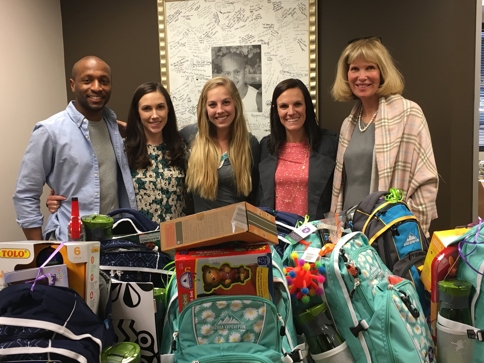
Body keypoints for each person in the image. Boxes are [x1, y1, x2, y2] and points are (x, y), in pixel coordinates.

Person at [13, 56, 136, 241]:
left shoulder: (112, 125)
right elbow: (26, 194)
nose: (96, 87)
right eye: (87, 80)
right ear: (73, 85)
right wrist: (39, 250)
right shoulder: (49, 131)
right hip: (69, 243)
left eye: (104, 81)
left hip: (114, 241)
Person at [330, 37, 438, 235]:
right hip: (350, 233)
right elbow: (341, 188)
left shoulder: (409, 114)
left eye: (370, 67)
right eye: (355, 69)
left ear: (382, 72)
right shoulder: (348, 124)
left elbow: (427, 181)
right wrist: (335, 229)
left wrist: (406, 229)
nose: (361, 76)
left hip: (389, 232)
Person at [47, 82, 189, 225]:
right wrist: (62, 200)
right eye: (146, 109)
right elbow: (95, 183)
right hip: (137, 238)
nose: (154, 115)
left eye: (160, 107)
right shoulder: (123, 149)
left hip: (177, 238)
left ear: (168, 110)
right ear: (137, 113)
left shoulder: (182, 148)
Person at [257, 78, 338, 219]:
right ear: (276, 111)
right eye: (284, 106)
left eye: (297, 104)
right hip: (276, 235)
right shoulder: (266, 146)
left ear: (307, 106)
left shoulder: (330, 144)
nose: (291, 112)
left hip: (315, 235)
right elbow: (260, 198)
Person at [181, 76, 260, 212]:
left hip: (238, 230)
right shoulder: (190, 136)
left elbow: (256, 196)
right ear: (205, 108)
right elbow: (161, 138)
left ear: (236, 103)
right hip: (200, 230)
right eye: (212, 104)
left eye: (226, 102)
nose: (220, 110)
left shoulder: (250, 144)